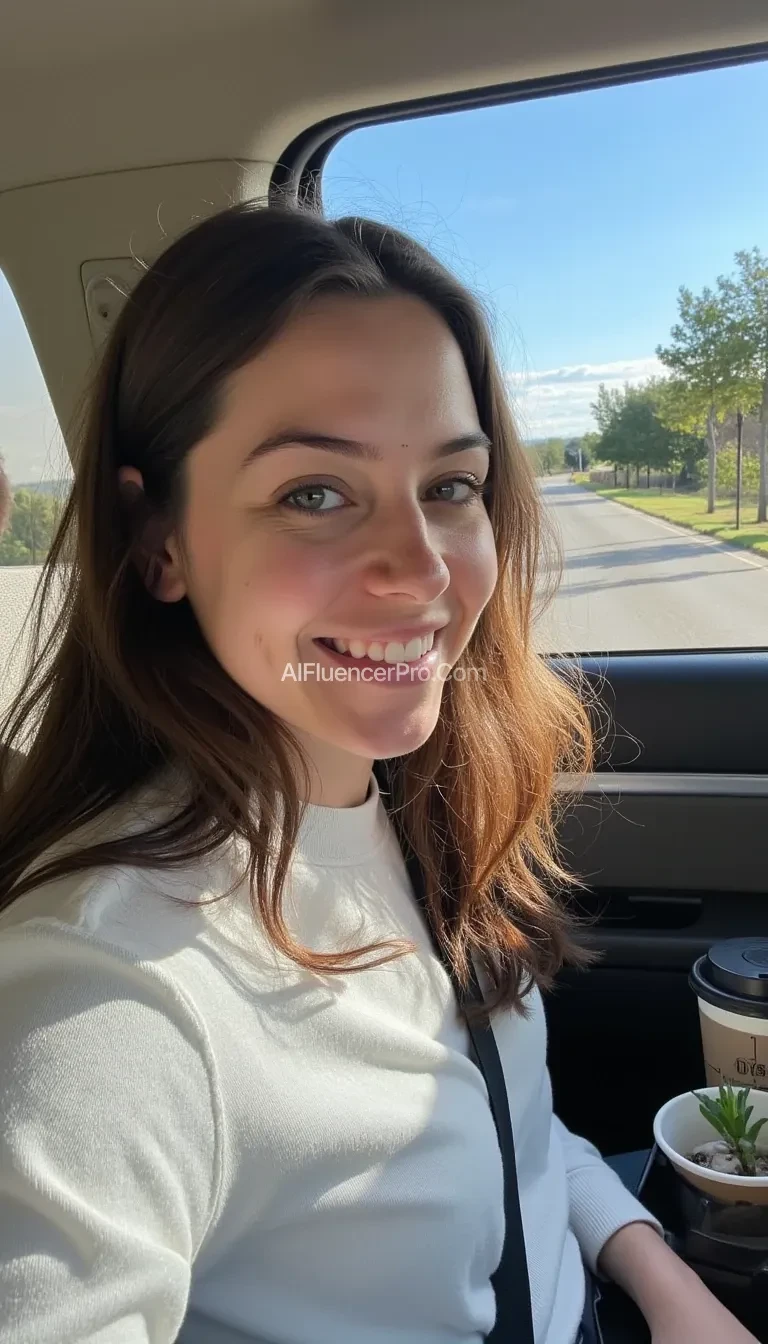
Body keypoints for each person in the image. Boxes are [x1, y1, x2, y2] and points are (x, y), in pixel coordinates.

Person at [0, 202, 756, 1344]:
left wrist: (659, 1276)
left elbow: (510, 1123)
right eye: (315, 493)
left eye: (451, 486)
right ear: (159, 542)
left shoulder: (409, 799)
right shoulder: (111, 983)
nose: (420, 573)